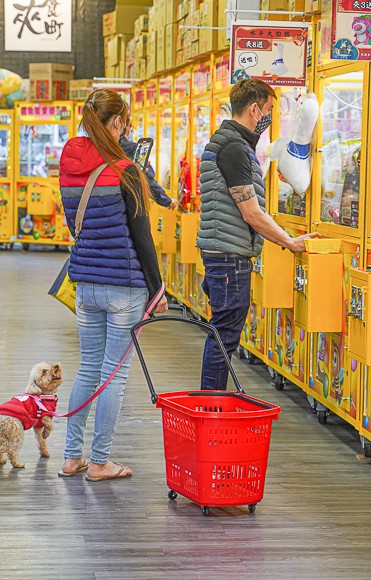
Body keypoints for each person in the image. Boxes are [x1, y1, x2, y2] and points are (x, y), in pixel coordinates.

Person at [58, 89, 168, 481]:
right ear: (118, 124)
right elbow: (143, 239)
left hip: (85, 281)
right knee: (112, 375)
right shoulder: (127, 170)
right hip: (123, 285)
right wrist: (158, 291)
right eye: (126, 122)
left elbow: (75, 225)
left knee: (88, 368)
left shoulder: (68, 165)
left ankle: (72, 456)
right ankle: (100, 461)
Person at [197, 78, 318, 391]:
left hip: (218, 249)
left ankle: (211, 403)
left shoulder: (225, 141)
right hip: (229, 255)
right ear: (254, 109)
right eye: (269, 111)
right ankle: (211, 407)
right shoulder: (234, 148)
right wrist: (289, 241)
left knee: (221, 331)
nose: (270, 118)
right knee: (224, 334)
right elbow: (251, 212)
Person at [118, 128, 179, 210]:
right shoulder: (133, 149)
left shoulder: (103, 148)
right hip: (129, 208)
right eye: (131, 129)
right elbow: (148, 180)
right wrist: (166, 200)